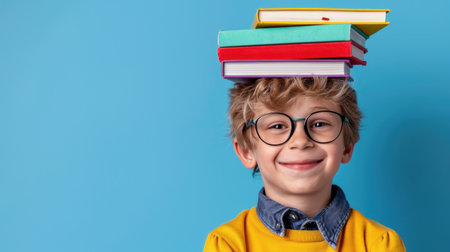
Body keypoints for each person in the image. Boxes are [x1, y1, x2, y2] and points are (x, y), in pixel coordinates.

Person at [203, 77, 406, 251]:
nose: (300, 141)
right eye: (277, 126)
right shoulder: (227, 245)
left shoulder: (378, 244)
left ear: (347, 146)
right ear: (247, 151)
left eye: (319, 124)